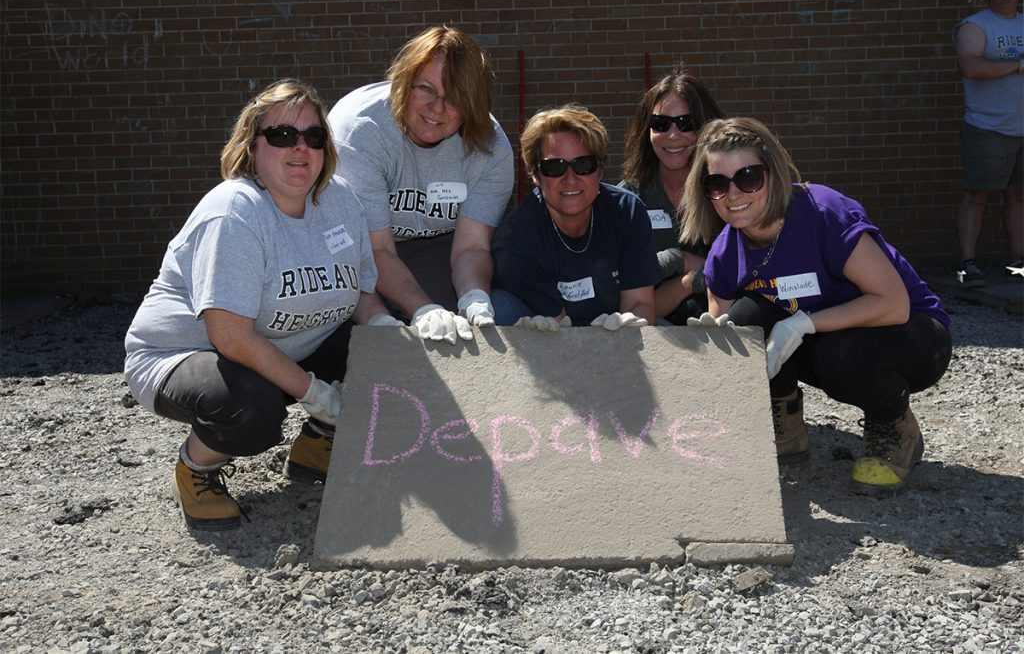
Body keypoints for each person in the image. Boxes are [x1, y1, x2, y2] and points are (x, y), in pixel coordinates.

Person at [124, 80, 409, 531]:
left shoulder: (340, 201)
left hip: (280, 345)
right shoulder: (235, 213)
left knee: (379, 351)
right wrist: (315, 393)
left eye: (313, 137)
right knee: (251, 410)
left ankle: (317, 446)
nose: (300, 148)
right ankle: (196, 468)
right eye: (282, 136)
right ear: (251, 147)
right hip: (188, 355)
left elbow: (359, 291)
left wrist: (385, 331)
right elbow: (230, 336)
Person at [679, 117, 952, 497]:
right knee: (742, 323)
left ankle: (893, 426)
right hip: (827, 337)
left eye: (748, 177)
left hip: (912, 335)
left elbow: (894, 304)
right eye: (717, 183)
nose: (734, 193)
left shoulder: (823, 212)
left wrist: (804, 322)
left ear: (772, 174)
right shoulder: (725, 251)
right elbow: (726, 337)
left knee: (839, 355)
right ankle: (784, 426)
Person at [328, 26, 515, 340]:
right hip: (350, 245)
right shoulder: (361, 132)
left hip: (433, 244)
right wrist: (423, 309)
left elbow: (471, 245)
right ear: (403, 82)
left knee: (467, 323)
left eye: (454, 97)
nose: (437, 108)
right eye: (426, 89)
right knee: (370, 332)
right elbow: (377, 249)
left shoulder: (491, 148)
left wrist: (474, 297)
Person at [491, 105, 660, 330]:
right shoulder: (515, 239)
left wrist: (628, 326)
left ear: (600, 170)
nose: (570, 179)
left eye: (583, 164)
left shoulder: (627, 211)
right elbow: (562, 328)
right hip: (552, 341)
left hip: (617, 338)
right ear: (535, 174)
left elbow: (641, 305)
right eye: (554, 167)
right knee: (499, 306)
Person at [619, 70, 725, 324]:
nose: (673, 134)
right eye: (661, 124)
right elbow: (629, 306)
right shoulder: (628, 198)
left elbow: (746, 274)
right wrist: (684, 270)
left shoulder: (728, 187)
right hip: (654, 331)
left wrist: (684, 270)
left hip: (724, 320)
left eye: (685, 123)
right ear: (647, 130)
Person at [952, 0, 1024, 288]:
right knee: (977, 197)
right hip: (987, 127)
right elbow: (971, 66)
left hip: (1022, 128)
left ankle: (1017, 265)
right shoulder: (975, 26)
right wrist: (1019, 64)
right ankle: (968, 265)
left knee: (1018, 197)